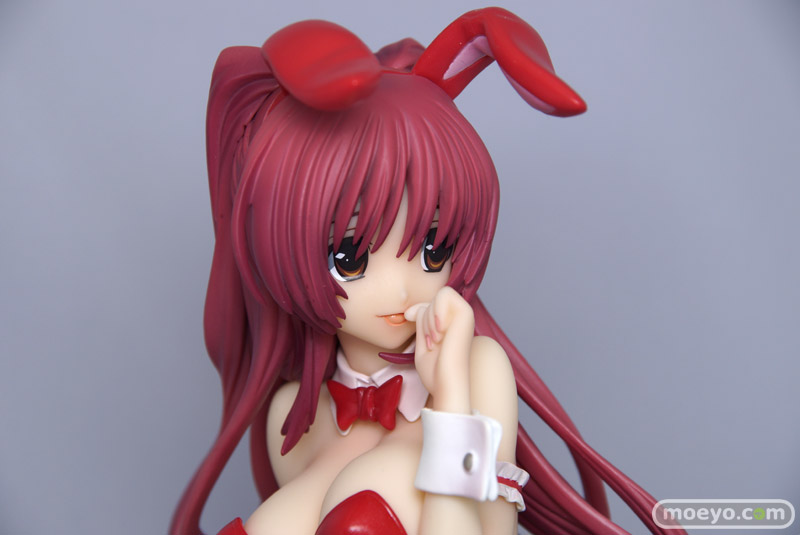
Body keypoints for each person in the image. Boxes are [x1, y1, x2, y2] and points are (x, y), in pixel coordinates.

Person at [171, 8, 685, 535]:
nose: (402, 288)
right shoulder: (294, 415)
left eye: (433, 249)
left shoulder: (477, 370)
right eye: (349, 256)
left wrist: (452, 396)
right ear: (278, 247)